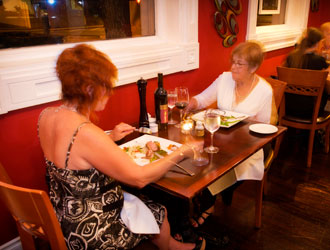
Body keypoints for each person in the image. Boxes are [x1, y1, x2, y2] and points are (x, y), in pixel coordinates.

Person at [37, 44, 205, 250]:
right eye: (106, 87)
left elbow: (74, 155)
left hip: (63, 217)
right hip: (93, 231)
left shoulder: (45, 116)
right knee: (158, 209)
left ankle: (171, 243)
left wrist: (110, 137)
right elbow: (140, 178)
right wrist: (182, 152)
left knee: (143, 204)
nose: (110, 93)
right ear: (89, 89)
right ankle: (172, 246)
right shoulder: (86, 131)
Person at [186, 41, 277, 227]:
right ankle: (206, 197)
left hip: (251, 145)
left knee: (219, 169)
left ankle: (207, 205)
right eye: (233, 62)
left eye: (239, 64)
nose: (233, 67)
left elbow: (266, 125)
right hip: (220, 139)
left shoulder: (264, 90)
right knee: (196, 159)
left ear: (253, 67)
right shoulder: (225, 78)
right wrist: (191, 103)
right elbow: (204, 98)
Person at [283, 27, 329, 118]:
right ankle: (316, 129)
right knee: (325, 88)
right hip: (310, 110)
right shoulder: (319, 60)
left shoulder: (291, 56)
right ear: (317, 43)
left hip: (287, 106)